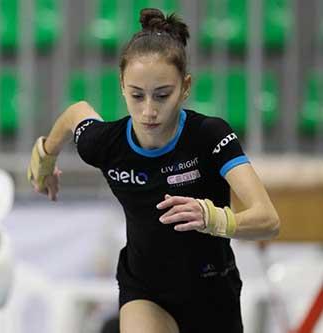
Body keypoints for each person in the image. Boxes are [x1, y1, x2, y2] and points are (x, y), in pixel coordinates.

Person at [27, 8, 280, 333]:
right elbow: (76, 112)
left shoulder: (209, 136)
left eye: (162, 95)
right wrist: (45, 159)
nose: (149, 110)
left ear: (185, 87)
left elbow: (268, 220)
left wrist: (214, 219)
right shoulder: (107, 144)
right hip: (144, 290)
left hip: (212, 291)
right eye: (137, 95)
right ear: (122, 85)